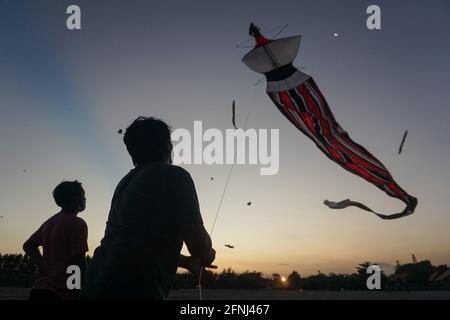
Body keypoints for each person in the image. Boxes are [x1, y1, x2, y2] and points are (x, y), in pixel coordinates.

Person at [81, 117, 216, 300]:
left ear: (132, 152)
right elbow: (198, 245)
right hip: (135, 289)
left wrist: (187, 262)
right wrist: (207, 253)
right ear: (168, 146)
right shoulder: (175, 176)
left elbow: (134, 244)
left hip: (95, 282)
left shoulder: (125, 183)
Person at [23, 180, 88, 300]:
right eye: (83, 196)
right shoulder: (78, 223)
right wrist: (79, 289)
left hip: (38, 290)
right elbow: (77, 261)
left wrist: (42, 263)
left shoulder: (49, 222)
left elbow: (28, 245)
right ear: (75, 199)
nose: (85, 199)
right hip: (61, 293)